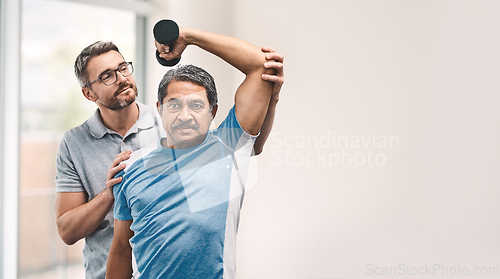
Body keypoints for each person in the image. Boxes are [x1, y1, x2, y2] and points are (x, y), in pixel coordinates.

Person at [54, 41, 284, 278]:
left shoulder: (211, 141)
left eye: (123, 68)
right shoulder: (90, 150)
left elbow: (248, 140)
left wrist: (185, 36)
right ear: (89, 93)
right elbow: (115, 246)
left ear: (211, 111)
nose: (121, 78)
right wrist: (108, 193)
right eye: (107, 76)